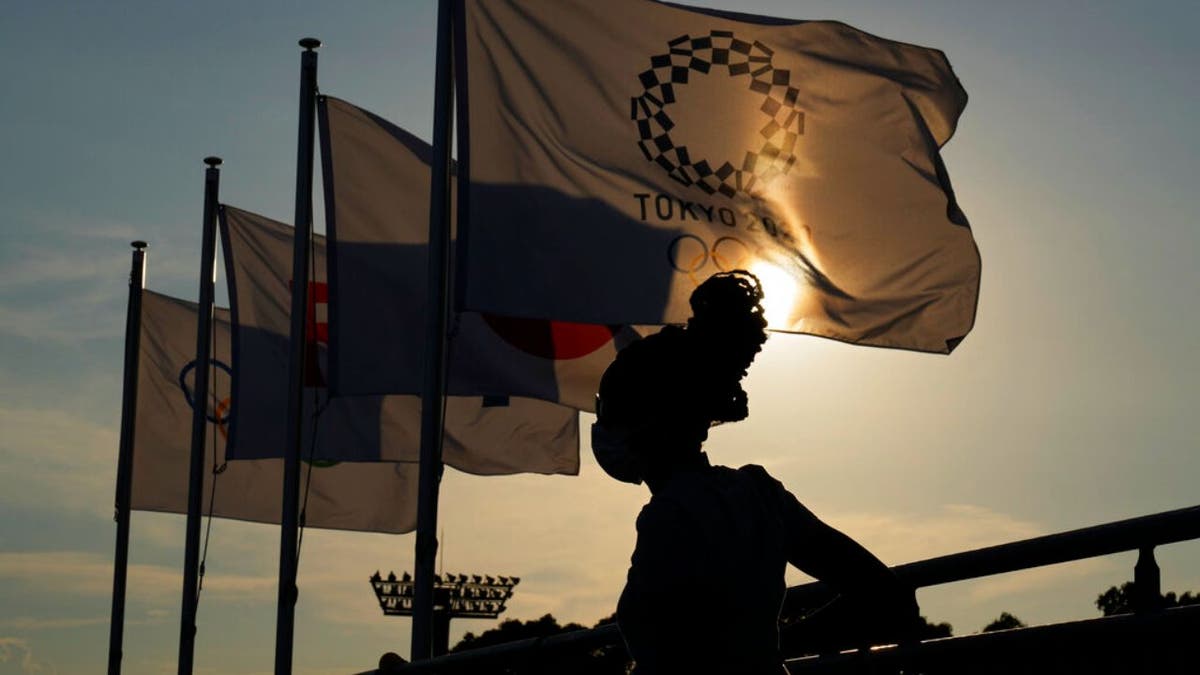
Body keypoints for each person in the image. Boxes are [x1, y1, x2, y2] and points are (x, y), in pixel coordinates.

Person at [593, 271, 919, 675]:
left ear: (647, 420)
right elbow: (885, 594)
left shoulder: (670, 515)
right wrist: (773, 652)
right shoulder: (761, 495)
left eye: (608, 411)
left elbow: (670, 658)